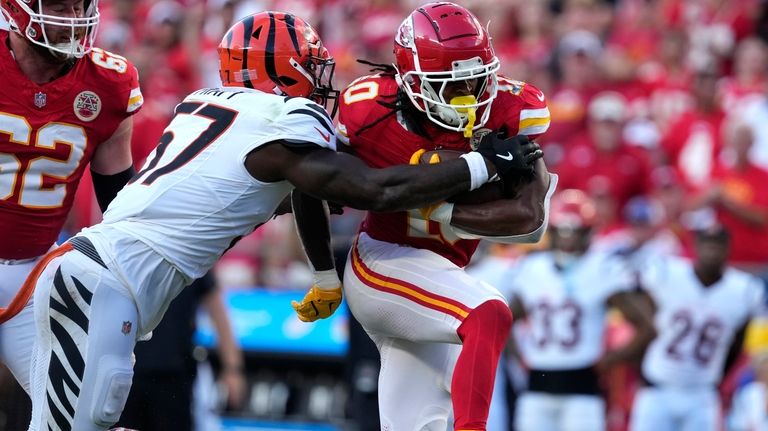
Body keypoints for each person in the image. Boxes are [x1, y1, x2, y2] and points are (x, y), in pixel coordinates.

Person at [18, 11, 541, 431]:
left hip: (90, 271)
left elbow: (305, 191)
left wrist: (322, 273)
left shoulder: (210, 105)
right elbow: (374, 189)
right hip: (105, 282)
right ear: (280, 72)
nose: (321, 81)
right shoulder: (279, 123)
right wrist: (483, 165)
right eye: (311, 67)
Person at [331, 3, 558, 430]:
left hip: (434, 279)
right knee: (488, 312)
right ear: (412, 83)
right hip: (384, 262)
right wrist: (323, 274)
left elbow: (529, 219)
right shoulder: (369, 113)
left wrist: (435, 202)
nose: (471, 96)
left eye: (477, 79)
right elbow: (319, 188)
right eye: (453, 86)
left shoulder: (510, 110)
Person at [0, 0, 142, 406]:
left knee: (81, 410)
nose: (74, 20)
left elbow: (117, 198)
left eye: (79, 6)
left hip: (33, 273)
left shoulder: (108, 83)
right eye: (59, 6)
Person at [505, 190, 655, 431]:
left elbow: (646, 327)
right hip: (536, 386)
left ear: (589, 232)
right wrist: (519, 357)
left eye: (576, 232)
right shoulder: (532, 268)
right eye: (564, 232)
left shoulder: (602, 268)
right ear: (552, 231)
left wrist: (609, 360)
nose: (569, 240)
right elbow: (506, 320)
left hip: (582, 387)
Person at [629, 224, 766, 431]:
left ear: (728, 248)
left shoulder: (744, 290)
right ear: (695, 245)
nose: (712, 250)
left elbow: (737, 344)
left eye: (718, 245)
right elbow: (639, 313)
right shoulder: (668, 273)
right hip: (657, 386)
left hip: (701, 393)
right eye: (707, 244)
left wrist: (717, 377)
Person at [116, 272, 245, 431]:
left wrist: (232, 369)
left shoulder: (189, 254)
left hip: (174, 375)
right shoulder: (123, 252)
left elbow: (217, 309)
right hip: (126, 375)